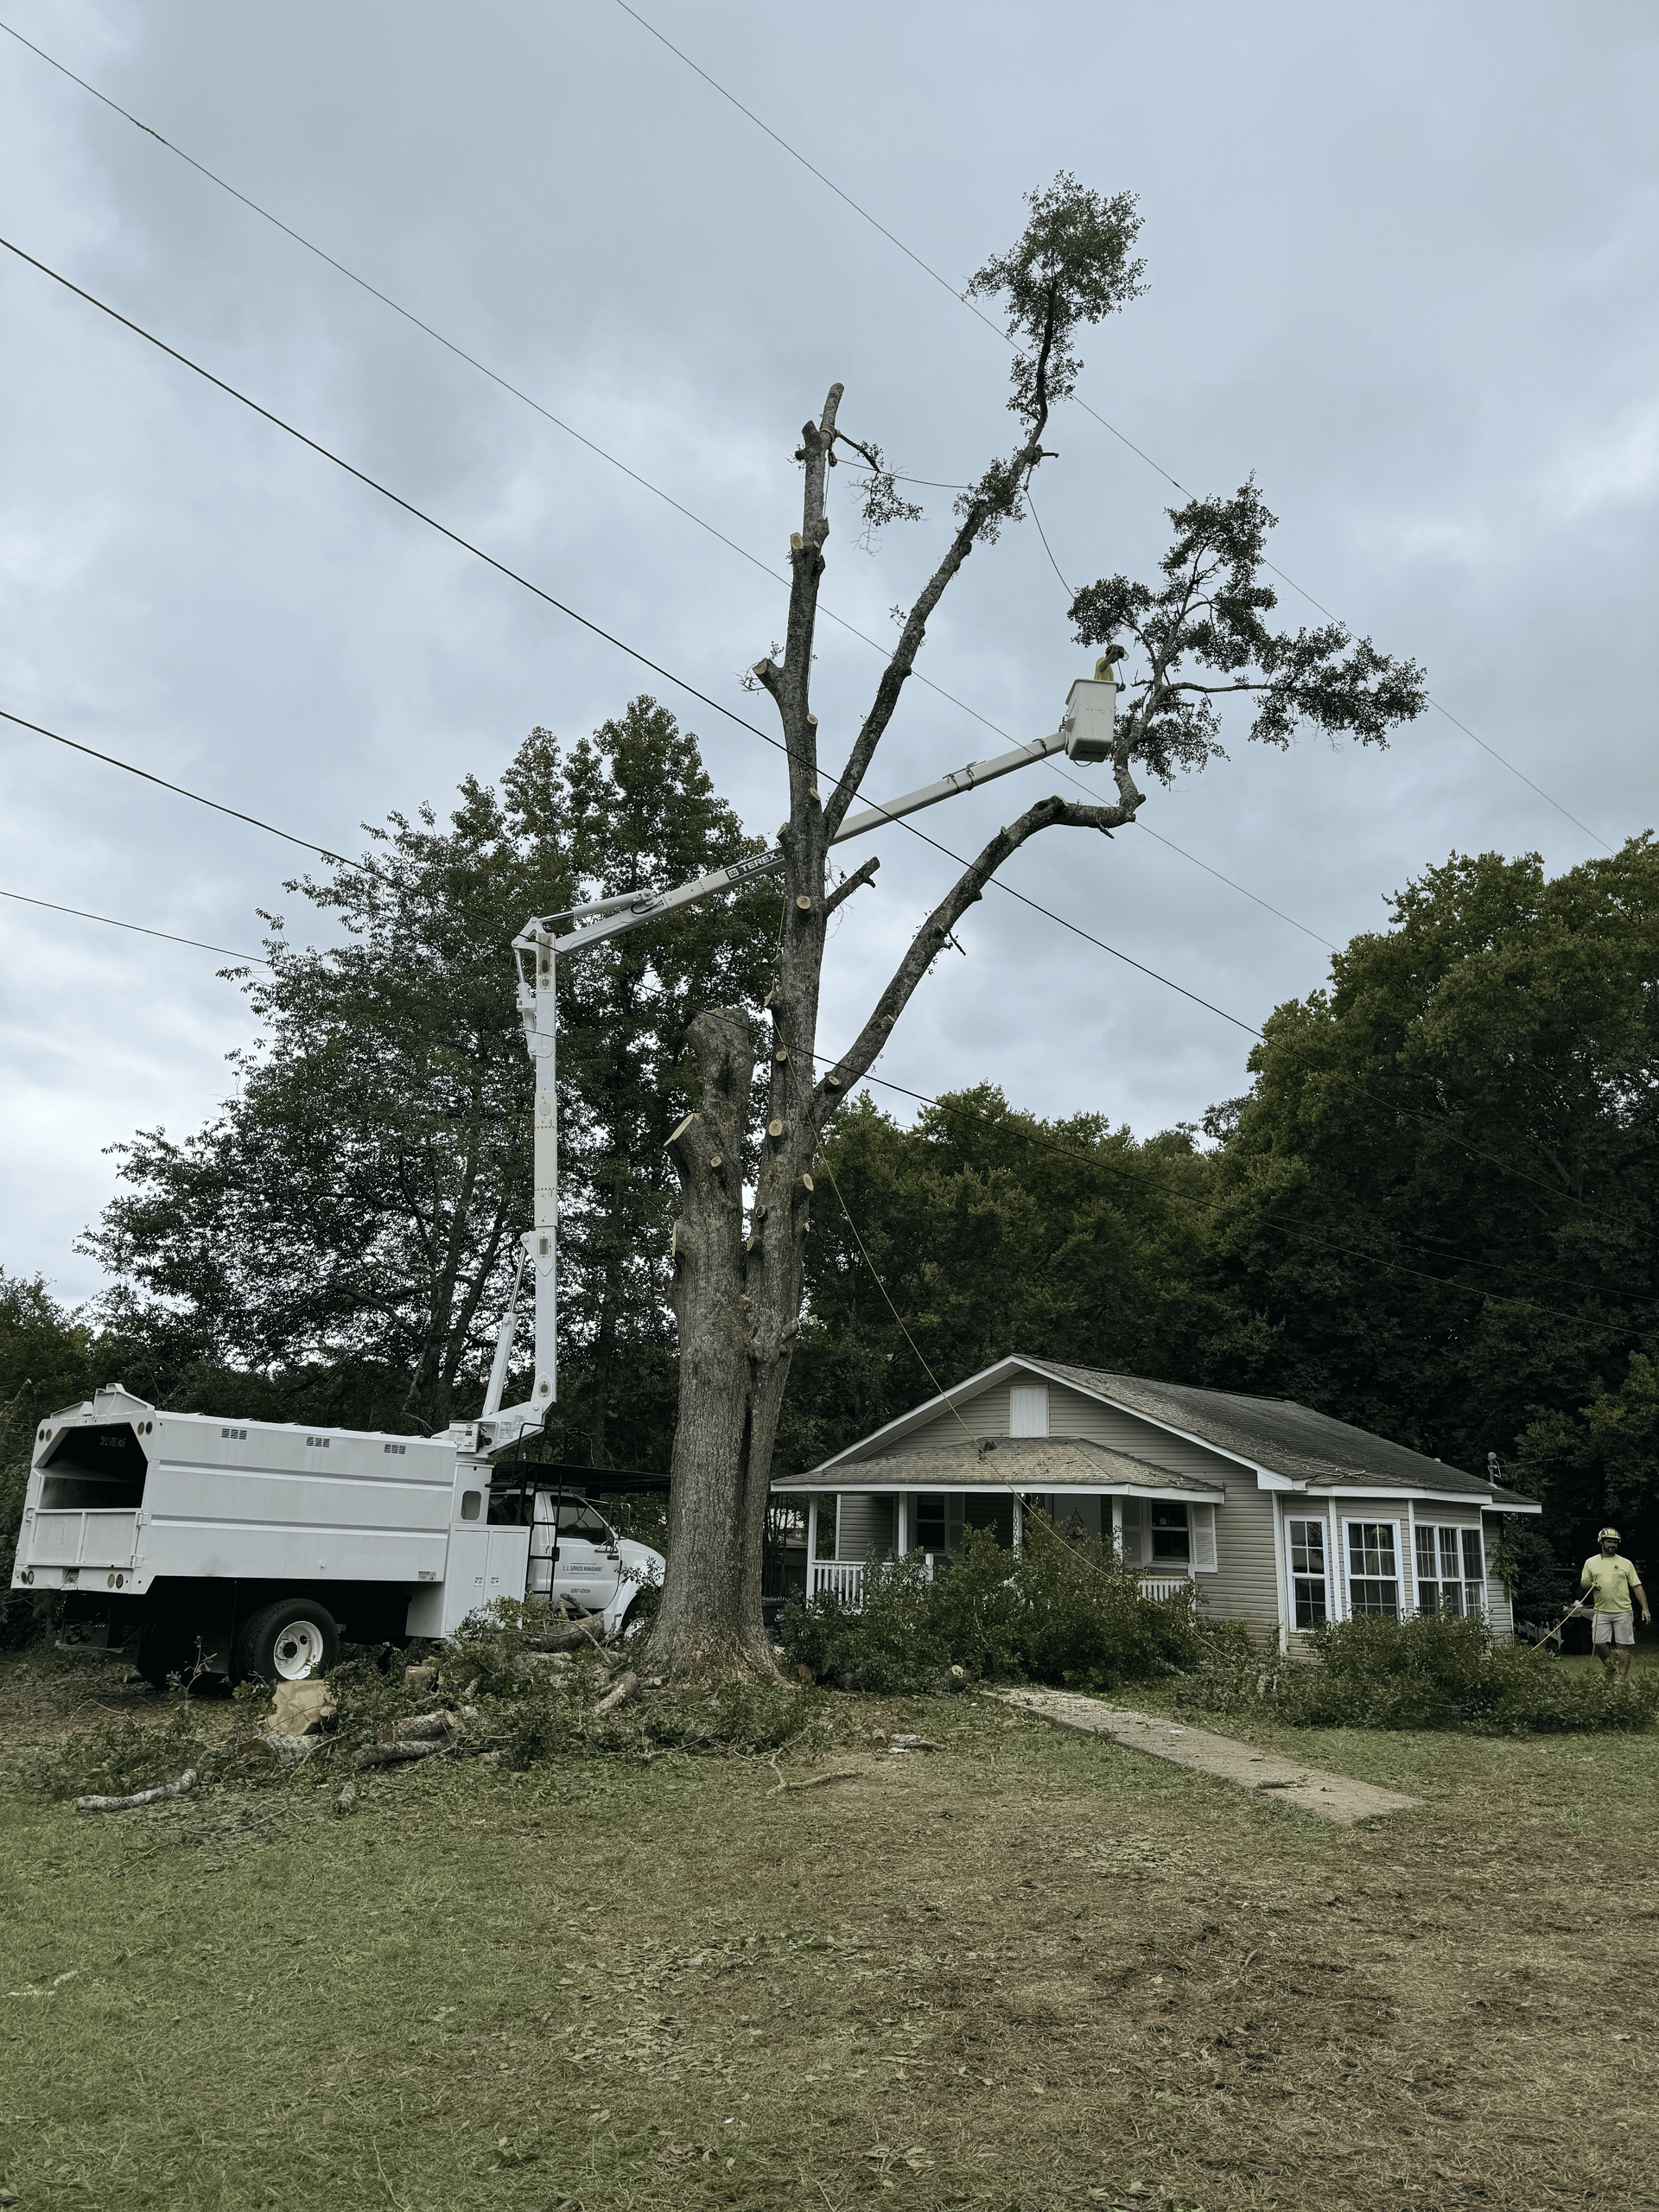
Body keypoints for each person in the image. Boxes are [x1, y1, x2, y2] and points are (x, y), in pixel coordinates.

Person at [1580, 1528, 1649, 1685]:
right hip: (1601, 1611)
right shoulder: (1591, 1562)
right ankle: (1610, 1668)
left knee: (1622, 1646)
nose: (1612, 1545)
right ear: (1601, 1543)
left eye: (1615, 1542)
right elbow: (1583, 1583)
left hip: (1623, 1611)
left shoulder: (1626, 1563)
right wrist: (1591, 1585)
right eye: (1609, 1541)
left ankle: (1620, 1678)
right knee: (1598, 1643)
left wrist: (1645, 1608)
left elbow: (1637, 1586)